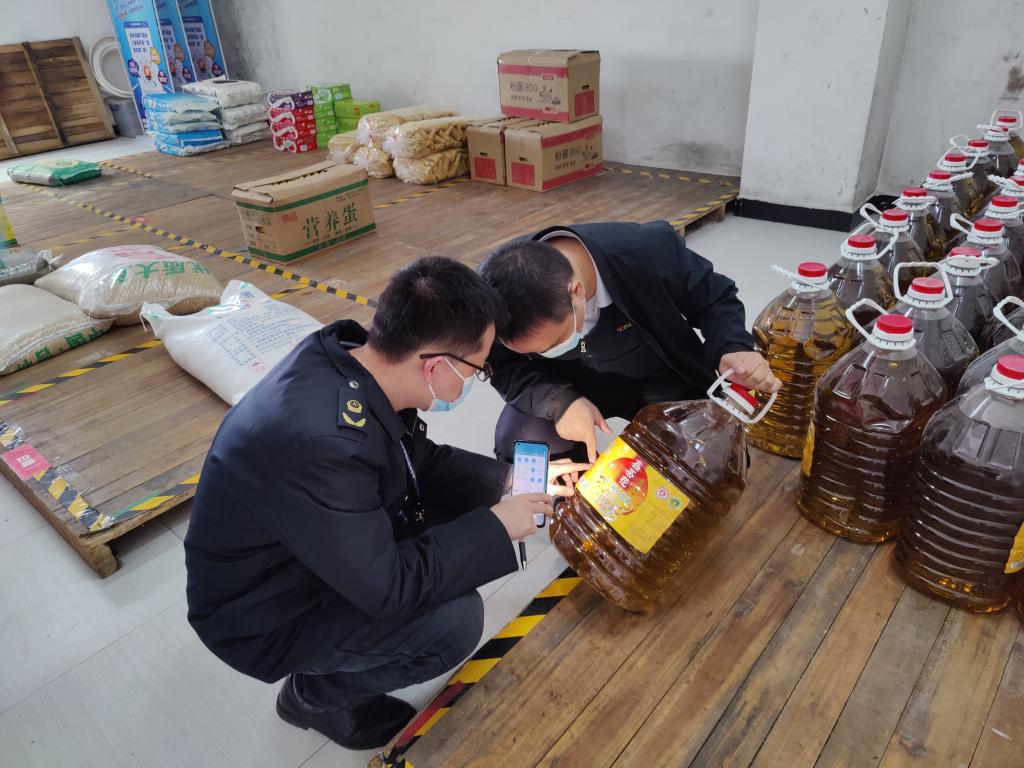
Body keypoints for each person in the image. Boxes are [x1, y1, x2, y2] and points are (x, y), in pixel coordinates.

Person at [184, 257, 587, 750]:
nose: (475, 379)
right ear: (435, 365)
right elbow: (389, 587)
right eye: (476, 369)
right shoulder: (324, 444)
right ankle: (314, 697)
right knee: (453, 624)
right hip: (265, 610)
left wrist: (506, 479)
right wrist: (497, 527)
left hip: (308, 549)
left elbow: (417, 460)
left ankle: (327, 679)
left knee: (453, 526)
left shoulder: (353, 362)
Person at [479, 220, 781, 463]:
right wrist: (558, 401)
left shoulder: (646, 250)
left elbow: (715, 298)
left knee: (712, 456)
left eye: (555, 342)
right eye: (535, 352)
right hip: (565, 382)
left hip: (655, 371)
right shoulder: (490, 297)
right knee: (523, 443)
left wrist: (732, 346)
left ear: (576, 292)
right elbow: (504, 366)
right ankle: (579, 497)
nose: (548, 351)